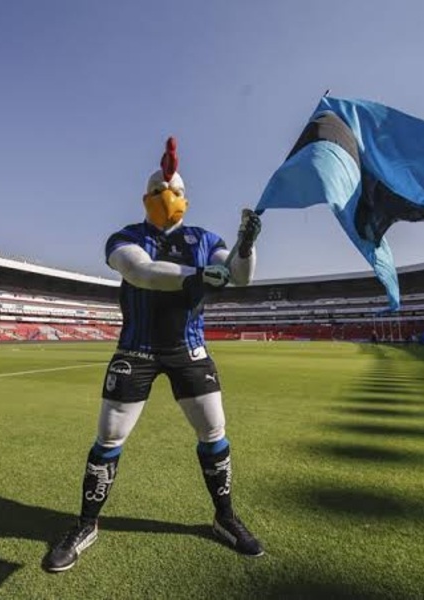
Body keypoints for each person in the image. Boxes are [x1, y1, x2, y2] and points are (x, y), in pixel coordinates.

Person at [42, 137, 263, 573]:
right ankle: (86, 524)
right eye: (161, 190)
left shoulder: (205, 238)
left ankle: (225, 517)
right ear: (145, 198)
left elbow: (238, 277)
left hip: (189, 348)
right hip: (136, 350)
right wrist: (199, 276)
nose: (169, 196)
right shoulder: (125, 238)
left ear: (188, 198)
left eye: (177, 190)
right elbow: (141, 272)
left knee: (213, 431)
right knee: (108, 437)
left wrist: (245, 244)